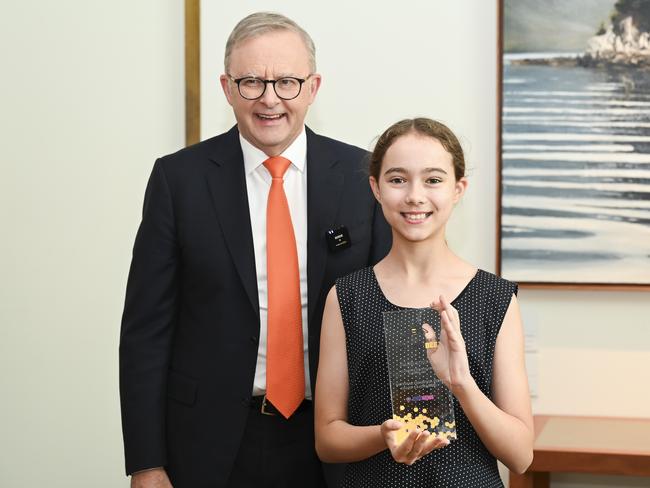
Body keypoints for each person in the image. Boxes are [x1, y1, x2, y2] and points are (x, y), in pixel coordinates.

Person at [119, 12, 390, 488]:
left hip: (334, 441)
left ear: (312, 87)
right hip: (209, 443)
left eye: (287, 82)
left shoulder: (362, 177)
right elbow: (145, 333)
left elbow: (392, 317)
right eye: (251, 83)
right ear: (226, 87)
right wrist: (146, 462)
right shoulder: (179, 181)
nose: (270, 99)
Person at [314, 118, 534, 487]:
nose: (415, 195)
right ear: (376, 188)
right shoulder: (348, 296)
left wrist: (461, 382)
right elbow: (327, 439)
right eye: (398, 179)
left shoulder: (495, 298)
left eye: (433, 180)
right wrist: (382, 436)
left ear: (458, 189)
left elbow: (521, 455)